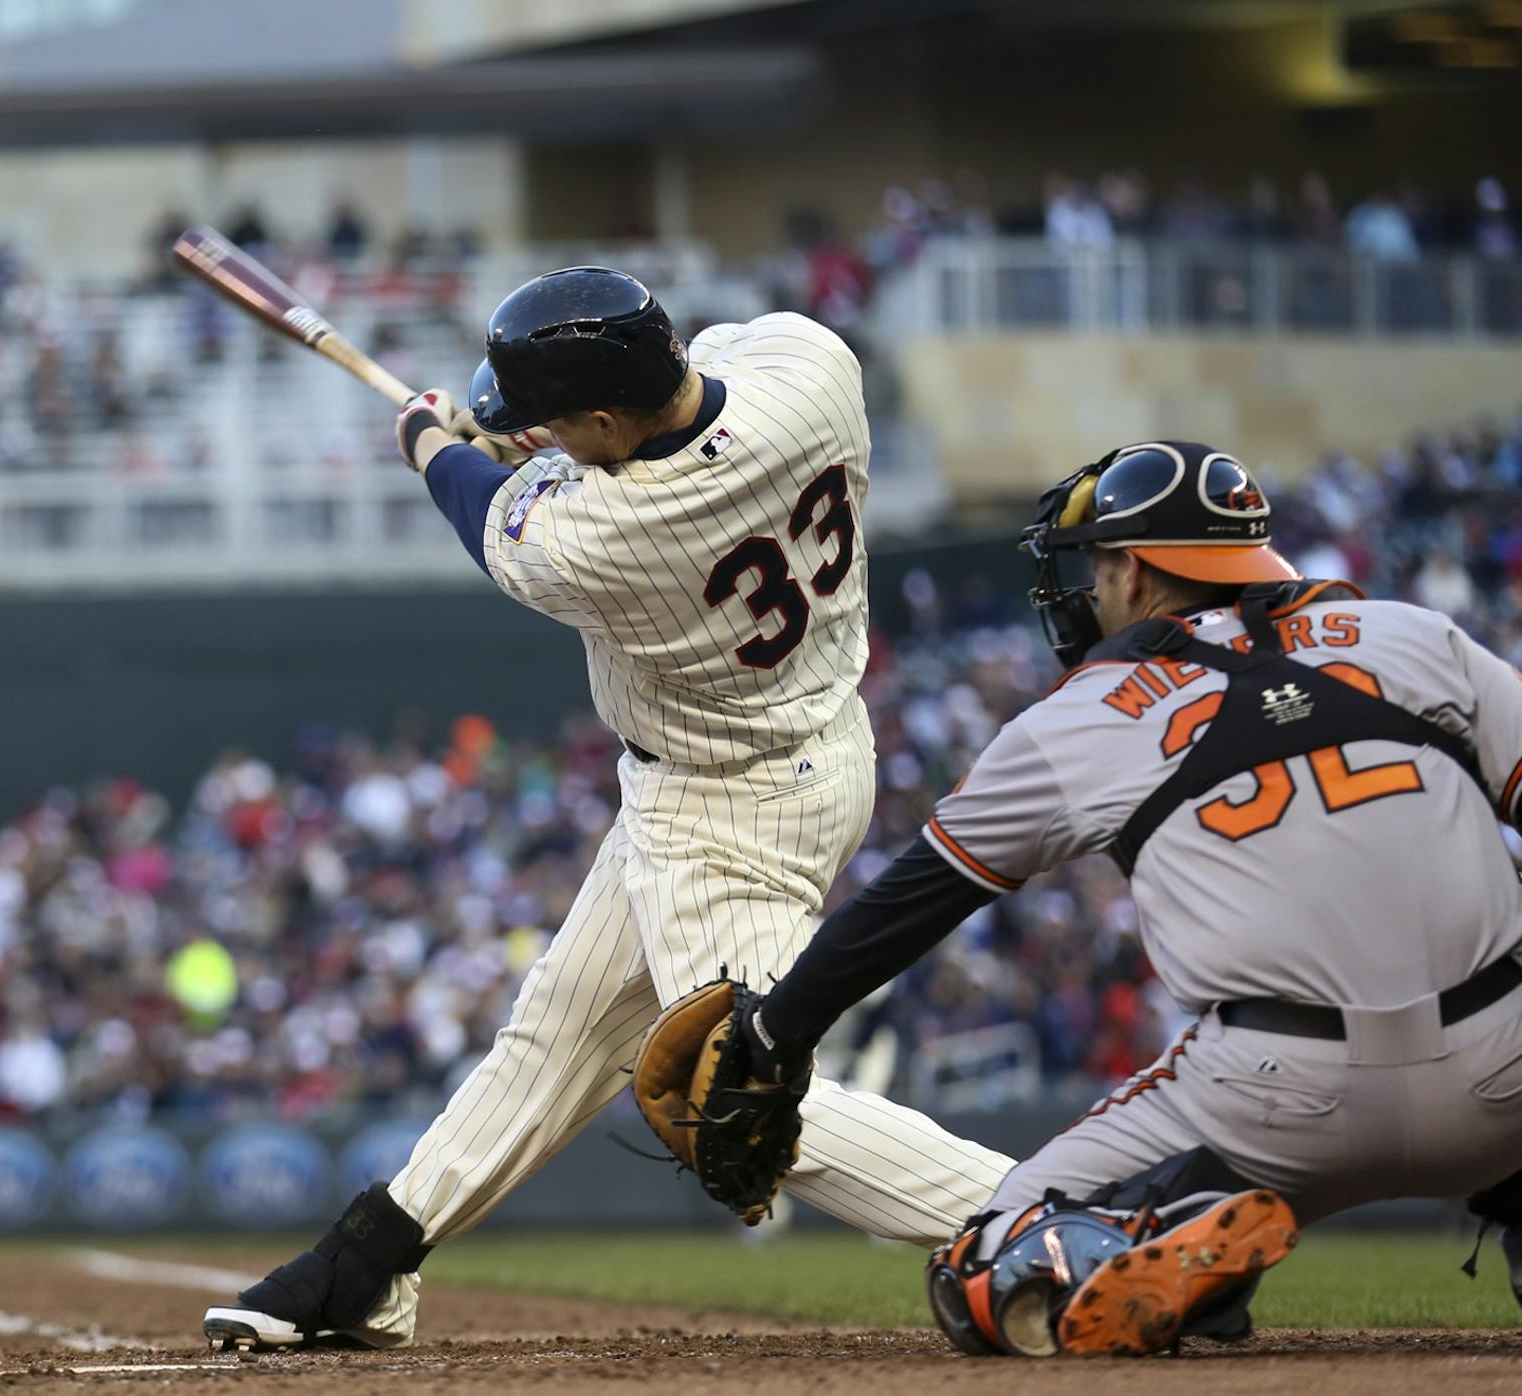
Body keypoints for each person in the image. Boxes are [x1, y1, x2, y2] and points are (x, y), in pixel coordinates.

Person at [201, 266, 1011, 1352]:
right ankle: (370, 1261)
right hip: (802, 745)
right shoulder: (814, 368)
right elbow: (678, 399)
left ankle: (1066, 1214)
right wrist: (548, 445)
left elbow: (486, 507)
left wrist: (433, 441)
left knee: (739, 1095)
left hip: (730, 806)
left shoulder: (595, 538)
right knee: (561, 1033)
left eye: (556, 423)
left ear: (599, 418)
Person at [735, 442, 1522, 1356]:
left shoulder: (1079, 716)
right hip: (1506, 1065)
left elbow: (909, 905)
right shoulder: (1413, 636)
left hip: (1277, 1097)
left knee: (989, 1262)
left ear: (1137, 572)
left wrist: (773, 1034)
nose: (1088, 591)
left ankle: (1172, 1215)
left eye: (1098, 567)